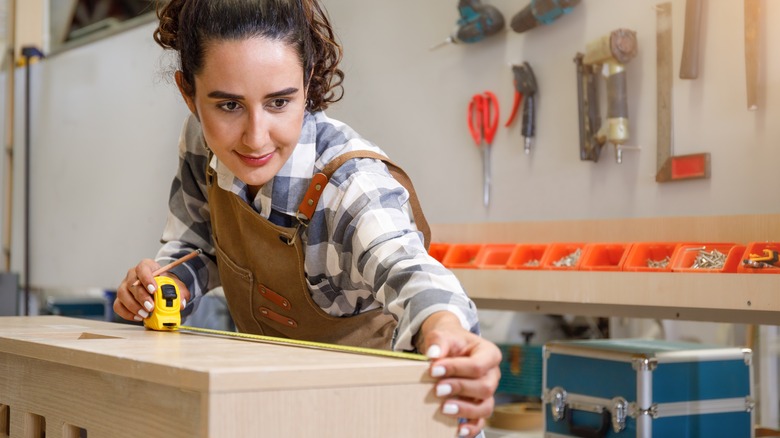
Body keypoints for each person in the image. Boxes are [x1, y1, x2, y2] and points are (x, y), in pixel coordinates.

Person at [114, 0, 501, 436]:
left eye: (279, 101)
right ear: (190, 94)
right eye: (228, 106)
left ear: (308, 79)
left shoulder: (350, 185)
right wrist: (165, 283)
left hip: (384, 420)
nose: (255, 136)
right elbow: (201, 246)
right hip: (280, 413)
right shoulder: (203, 145)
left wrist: (445, 331)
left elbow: (410, 270)